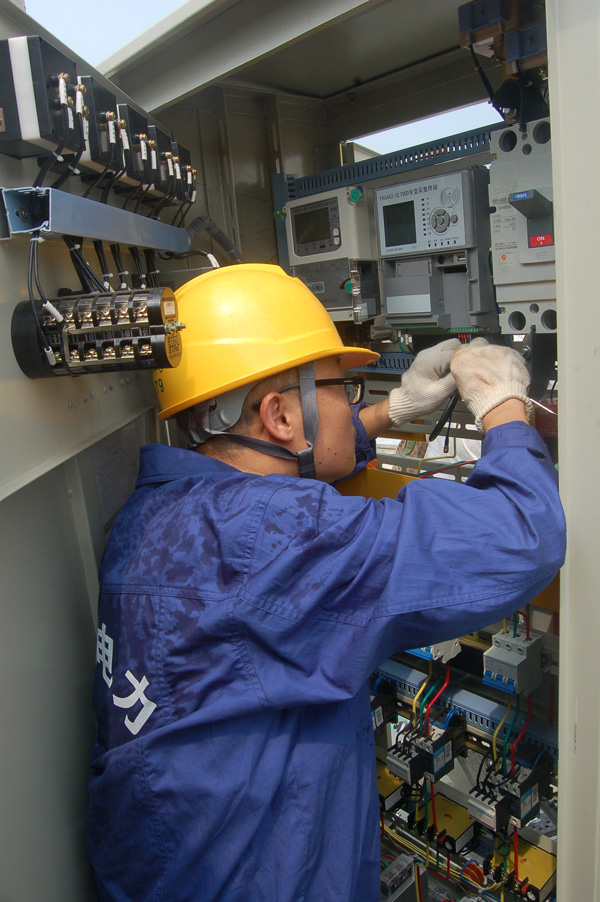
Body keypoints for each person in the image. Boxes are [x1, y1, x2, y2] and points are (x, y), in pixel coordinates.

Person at [87, 264, 565, 902]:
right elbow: (523, 534)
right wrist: (503, 405)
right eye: (344, 387)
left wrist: (389, 412)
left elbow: (278, 470)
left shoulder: (151, 513)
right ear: (281, 415)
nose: (352, 401)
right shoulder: (280, 537)